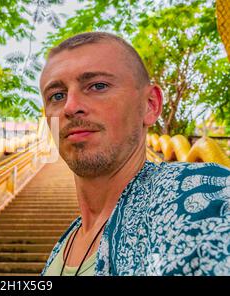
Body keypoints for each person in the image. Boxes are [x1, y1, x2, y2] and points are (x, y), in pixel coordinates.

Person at [39, 32, 230, 276]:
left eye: (98, 86)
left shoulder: (200, 195)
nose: (70, 106)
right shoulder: (61, 248)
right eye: (57, 95)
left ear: (150, 105)